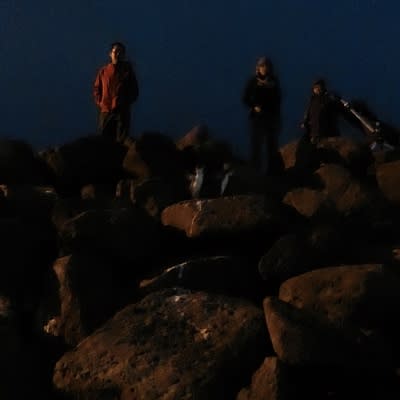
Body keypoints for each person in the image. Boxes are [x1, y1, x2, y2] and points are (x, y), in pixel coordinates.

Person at [242, 56, 281, 174]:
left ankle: (271, 171)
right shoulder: (253, 81)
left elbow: (278, 99)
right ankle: (255, 170)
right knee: (256, 144)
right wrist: (254, 106)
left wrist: (276, 115)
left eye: (266, 66)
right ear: (258, 68)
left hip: (270, 117)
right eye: (262, 66)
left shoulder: (273, 81)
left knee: (271, 144)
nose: (264, 68)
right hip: (256, 118)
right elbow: (245, 98)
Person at [93, 42, 139, 142]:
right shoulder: (103, 71)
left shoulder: (127, 71)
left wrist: (125, 103)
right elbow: (96, 88)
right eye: (116, 51)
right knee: (104, 141)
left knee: (121, 141)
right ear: (110, 54)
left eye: (121, 52)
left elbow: (134, 90)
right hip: (106, 112)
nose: (118, 54)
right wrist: (100, 103)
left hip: (122, 113)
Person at [301, 79, 343, 144]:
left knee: (328, 144)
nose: (317, 89)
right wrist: (304, 122)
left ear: (322, 88)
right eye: (315, 87)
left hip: (327, 130)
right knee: (314, 144)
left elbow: (335, 111)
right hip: (314, 130)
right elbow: (308, 112)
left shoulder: (328, 98)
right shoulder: (312, 100)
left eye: (319, 87)